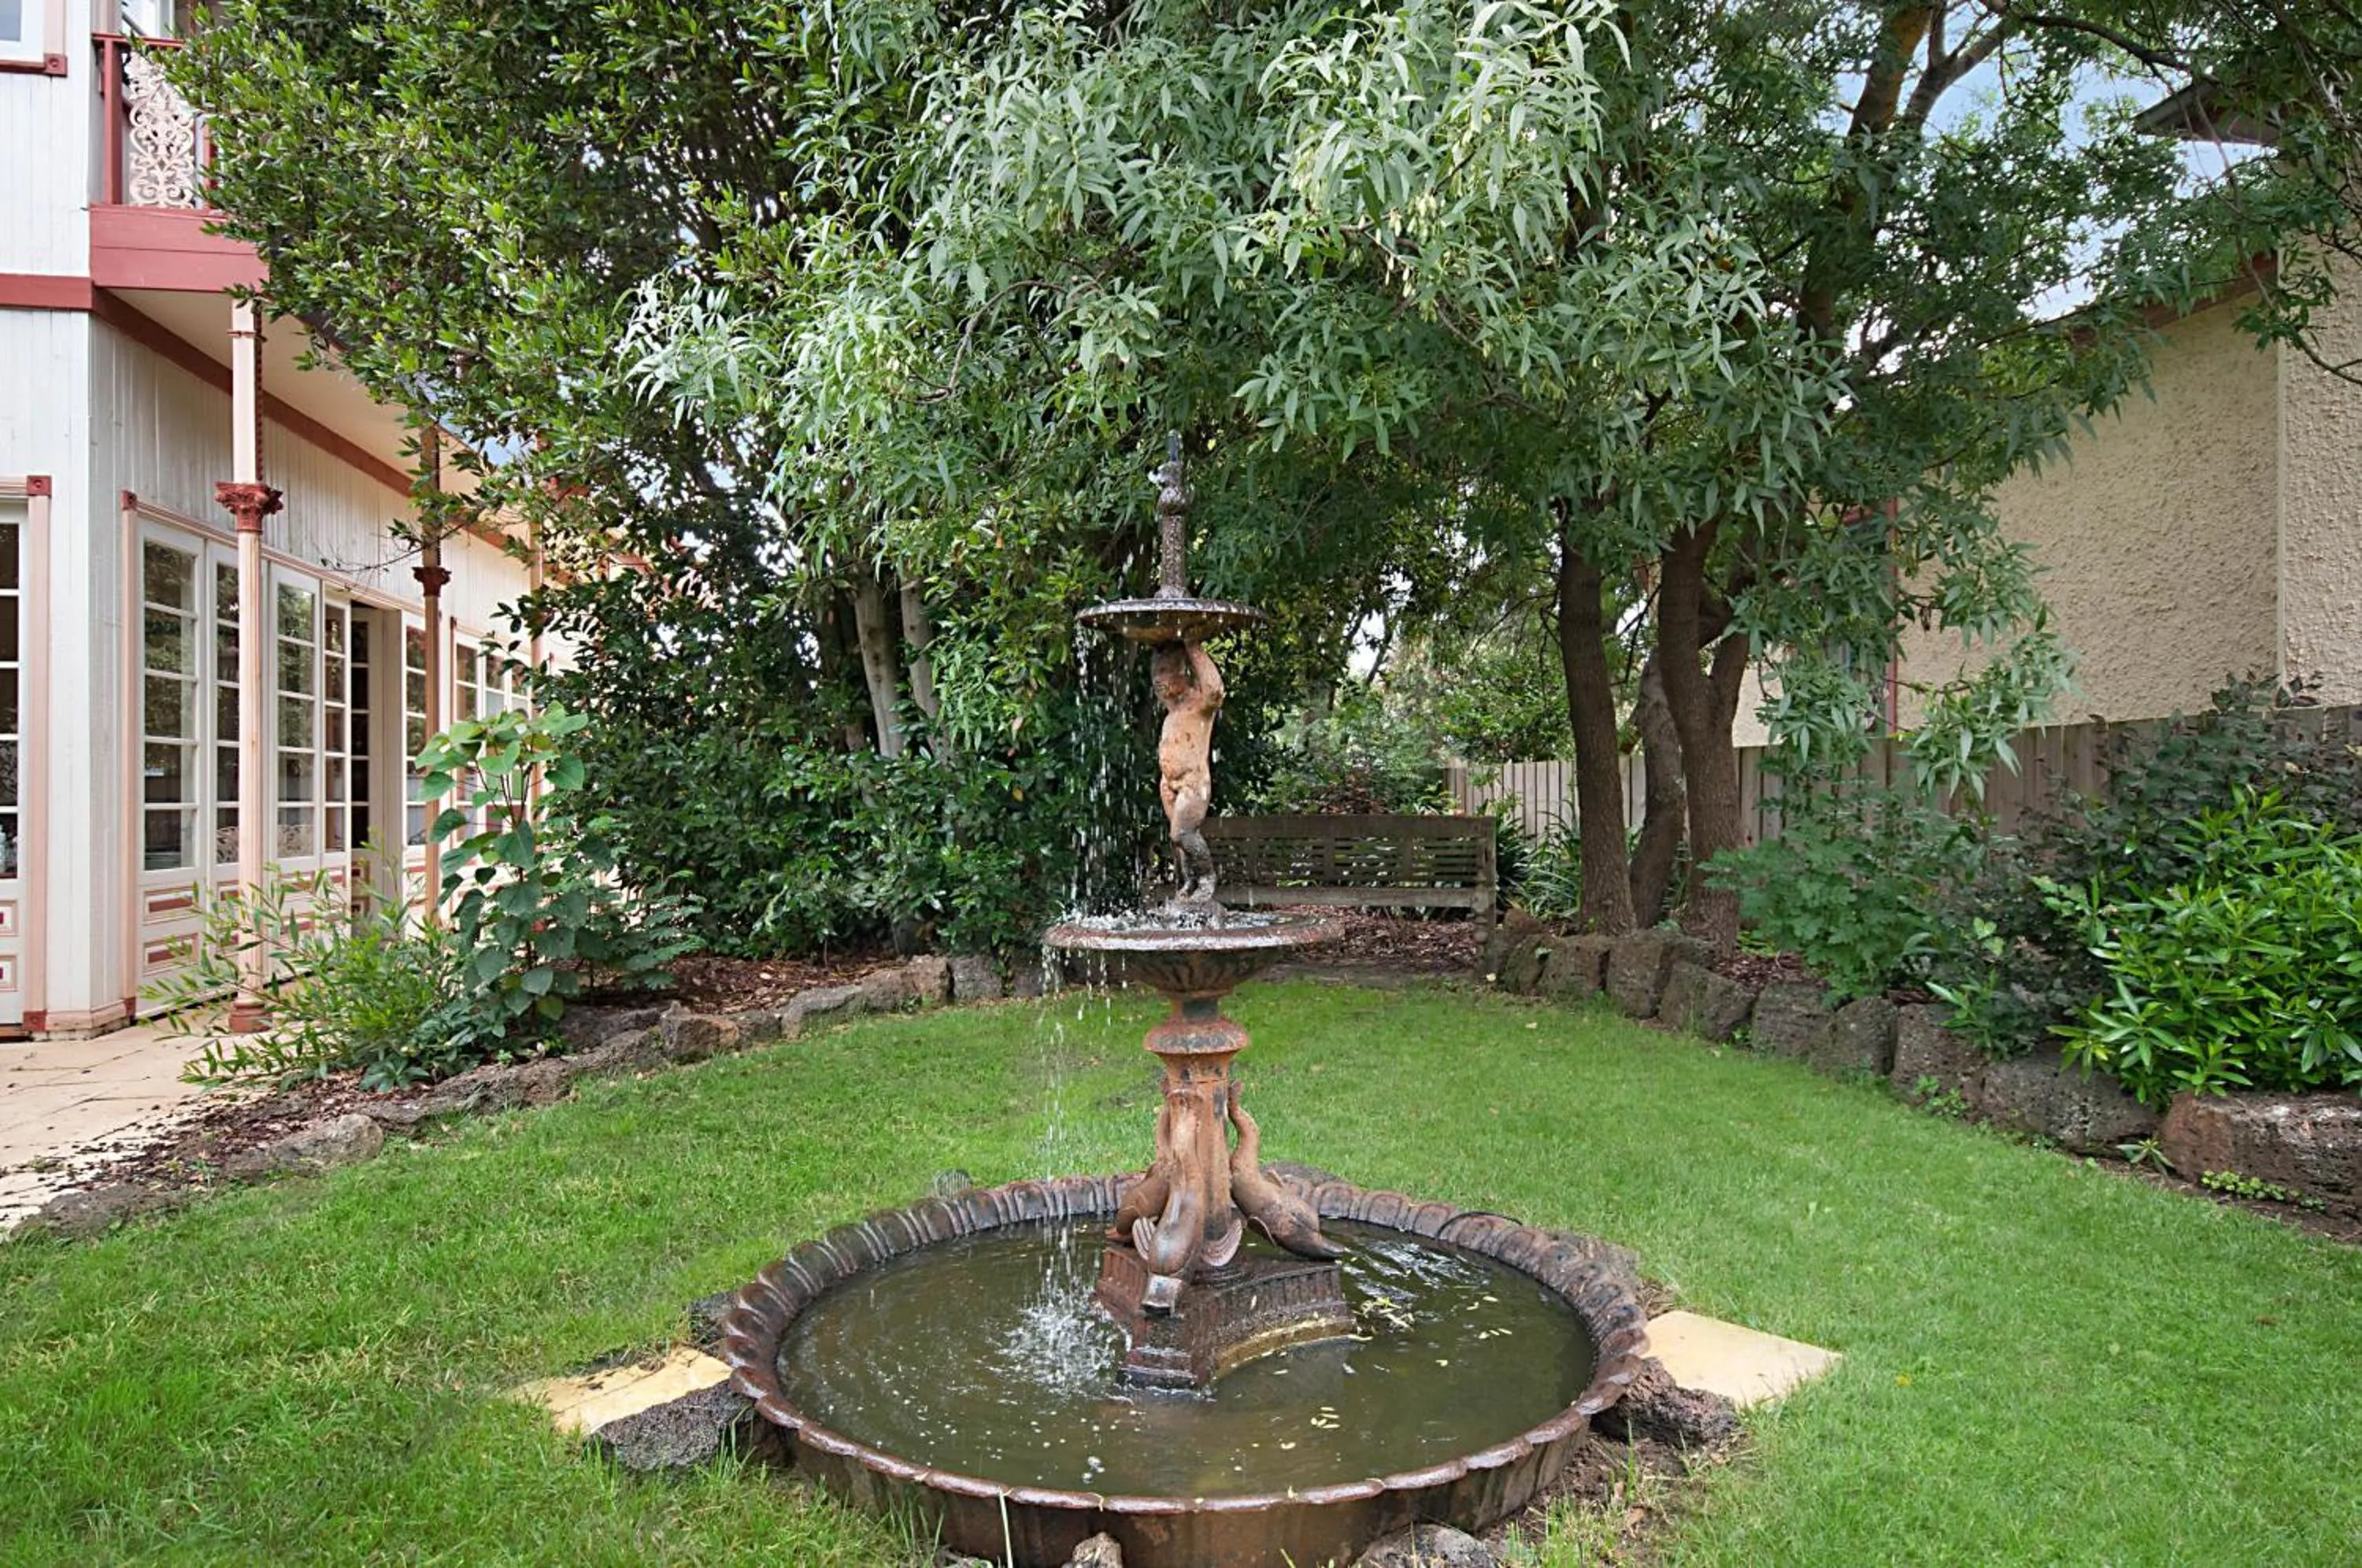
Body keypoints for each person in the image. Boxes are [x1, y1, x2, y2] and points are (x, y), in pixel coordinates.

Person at [1151, 638, 1222, 903]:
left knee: (1182, 833)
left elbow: (1215, 690)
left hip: (1193, 783)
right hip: (1169, 783)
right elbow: (1157, 685)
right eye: (1158, 673)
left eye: (1165, 672)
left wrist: (1193, 646)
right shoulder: (1173, 706)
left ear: (1184, 674)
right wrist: (1158, 645)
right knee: (1178, 841)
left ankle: (1207, 878)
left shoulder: (1200, 704)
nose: (1159, 680)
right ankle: (1189, 882)